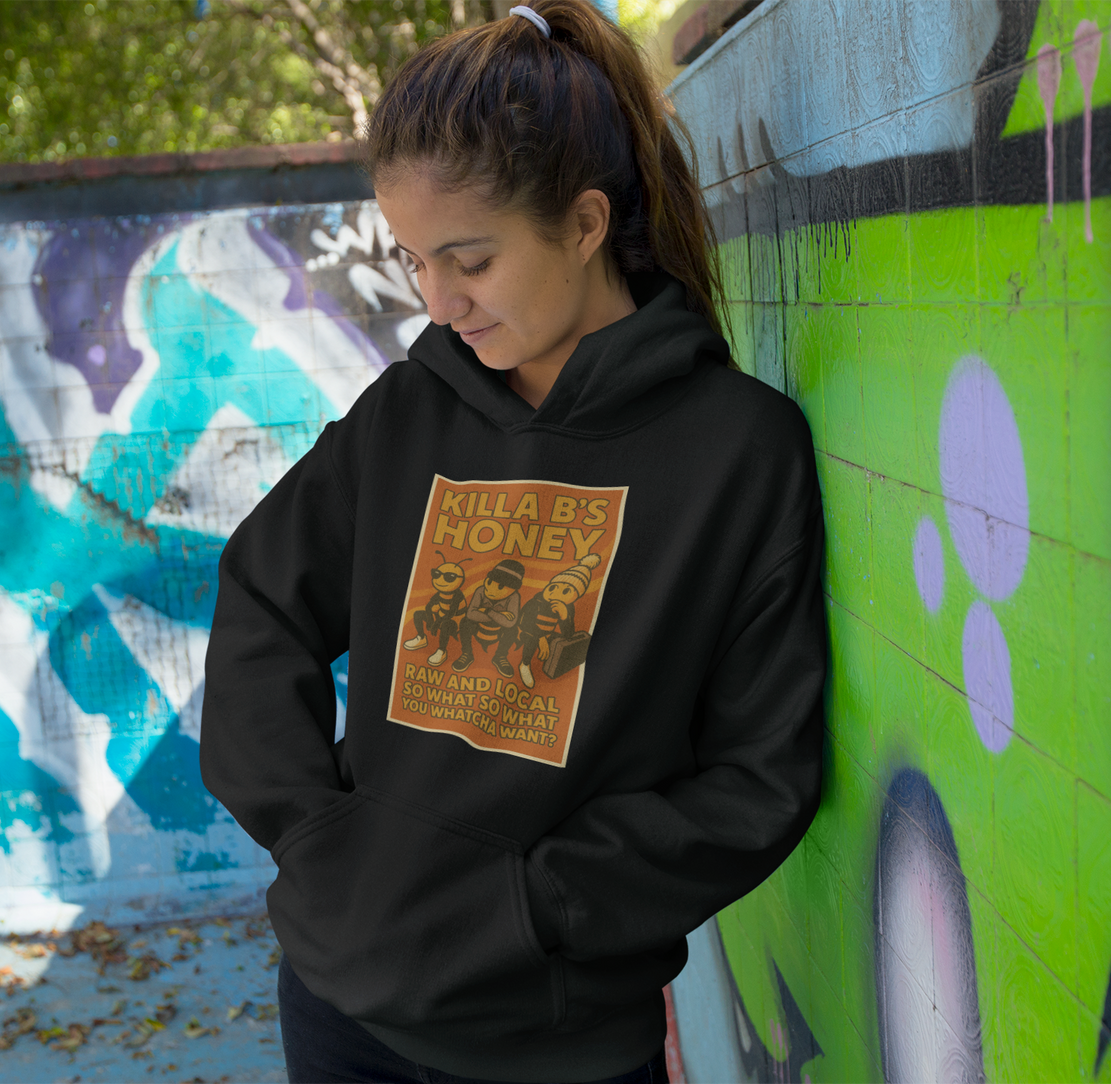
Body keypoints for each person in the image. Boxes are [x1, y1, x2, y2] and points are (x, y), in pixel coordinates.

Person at [200, 2, 826, 1082]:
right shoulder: (406, 417)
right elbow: (261, 596)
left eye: (471, 260)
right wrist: (312, 837)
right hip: (343, 1014)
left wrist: (539, 906)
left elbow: (757, 777)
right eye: (414, 262)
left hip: (558, 1042)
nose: (437, 302)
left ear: (584, 224)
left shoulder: (738, 453)